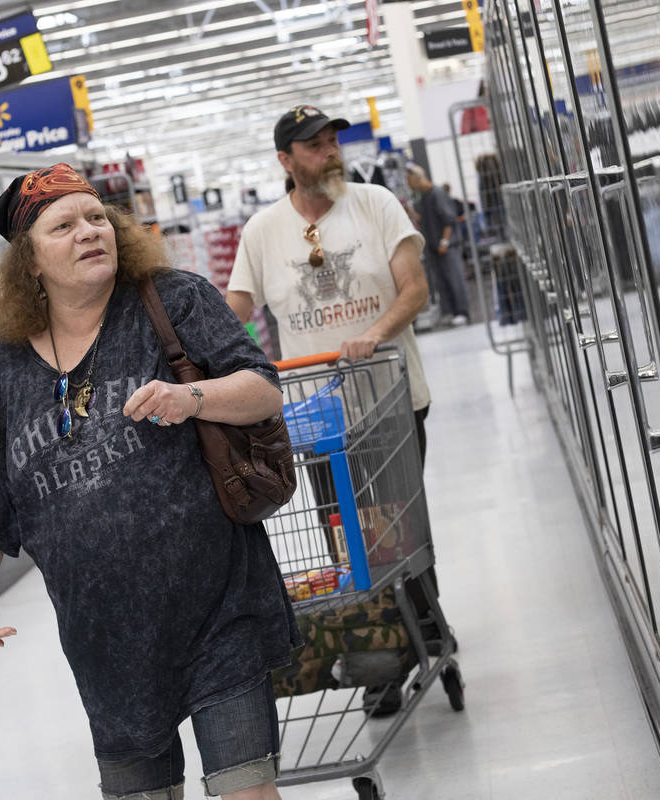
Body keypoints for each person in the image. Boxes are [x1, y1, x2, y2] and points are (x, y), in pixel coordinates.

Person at [0, 163, 300, 800]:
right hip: (104, 637)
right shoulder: (2, 359)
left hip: (215, 606)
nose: (90, 231)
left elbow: (262, 389)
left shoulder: (172, 299)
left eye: (97, 218)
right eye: (64, 226)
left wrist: (191, 397)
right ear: (29, 263)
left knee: (247, 790)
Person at [225, 105, 441, 716]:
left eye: (331, 141)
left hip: (391, 404)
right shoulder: (262, 231)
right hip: (317, 419)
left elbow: (415, 289)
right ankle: (389, 652)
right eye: (313, 146)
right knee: (346, 540)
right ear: (286, 161)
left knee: (398, 530)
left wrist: (374, 332)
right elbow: (237, 305)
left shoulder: (375, 205)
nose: (329, 152)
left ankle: (414, 639)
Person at [409, 166, 471, 327]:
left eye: (409, 180)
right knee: (442, 282)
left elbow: (449, 220)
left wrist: (445, 242)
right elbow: (422, 218)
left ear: (416, 178)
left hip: (447, 247)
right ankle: (450, 312)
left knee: (455, 279)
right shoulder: (423, 198)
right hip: (433, 248)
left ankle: (462, 311)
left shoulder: (437, 194)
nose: (409, 185)